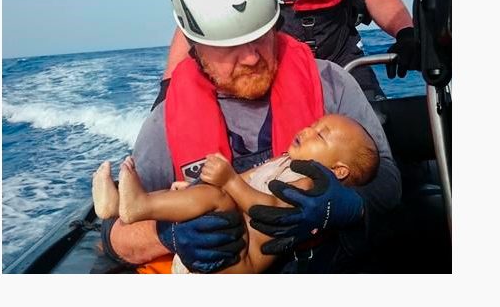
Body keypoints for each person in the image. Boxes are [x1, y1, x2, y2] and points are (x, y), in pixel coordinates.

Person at [96, 0, 401, 274]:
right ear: (196, 46)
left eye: (260, 37)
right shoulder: (164, 123)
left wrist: (348, 204)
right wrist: (167, 235)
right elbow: (115, 234)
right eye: (231, 47)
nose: (252, 58)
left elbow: (388, 180)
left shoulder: (333, 84)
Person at [93, 114, 379, 273]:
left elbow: (270, 211)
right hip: (198, 254)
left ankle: (138, 203)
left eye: (320, 135)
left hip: (237, 262)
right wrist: (191, 196)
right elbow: (247, 179)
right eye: (314, 124)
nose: (306, 129)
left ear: (339, 171)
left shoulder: (309, 186)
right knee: (209, 194)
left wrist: (229, 181)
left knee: (217, 199)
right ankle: (124, 205)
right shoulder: (283, 163)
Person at [151, 0, 418, 110]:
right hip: (274, 69)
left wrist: (407, 33)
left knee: (378, 123)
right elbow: (200, 19)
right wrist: (169, 86)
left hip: (345, 65)